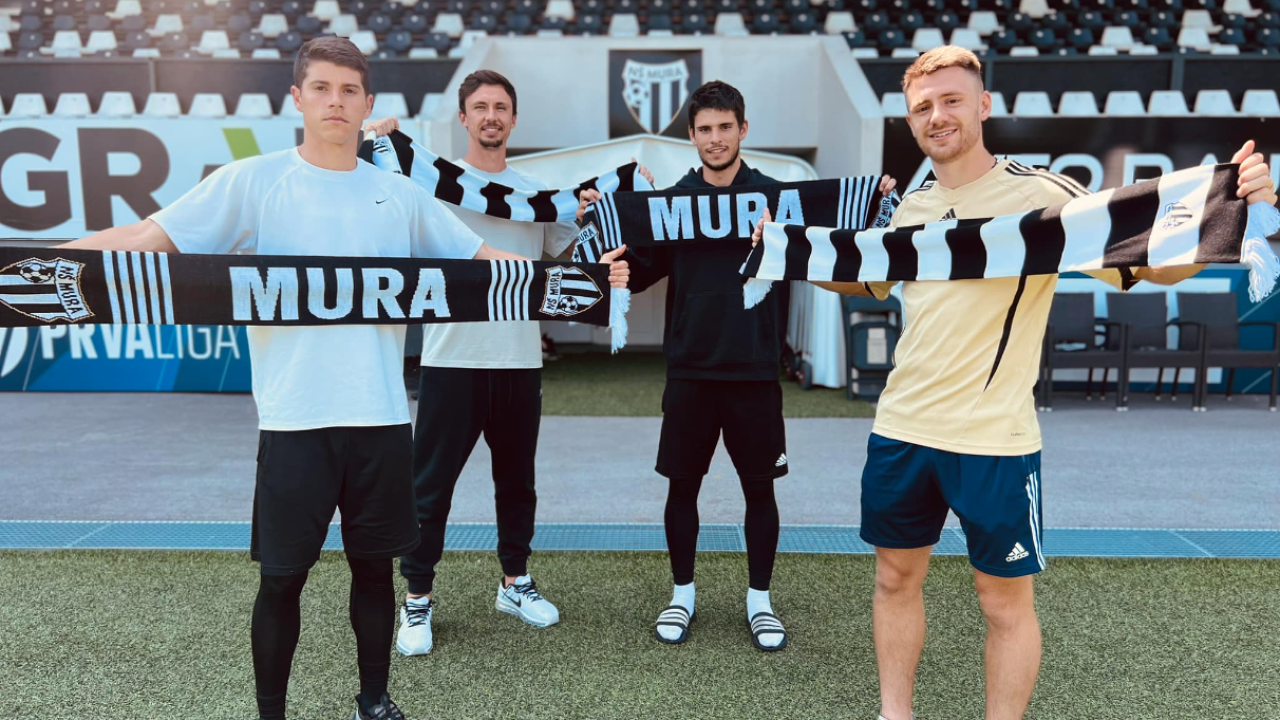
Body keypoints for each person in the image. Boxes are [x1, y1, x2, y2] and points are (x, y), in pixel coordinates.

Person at [61, 38, 629, 720]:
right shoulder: (252, 182)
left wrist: (594, 281)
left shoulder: (400, 194)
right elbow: (147, 241)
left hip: (380, 419)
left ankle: (374, 702)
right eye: (322, 88)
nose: (336, 101)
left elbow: (491, 264)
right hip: (294, 421)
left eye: (349, 90)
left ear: (367, 104)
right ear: (297, 98)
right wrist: (30, 260)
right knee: (281, 580)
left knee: (375, 574)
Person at [755, 45, 1276, 720]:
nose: (937, 116)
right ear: (910, 120)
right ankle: (894, 713)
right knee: (893, 579)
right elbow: (866, 278)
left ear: (983, 105)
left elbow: (1149, 263)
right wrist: (784, 250)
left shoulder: (1040, 194)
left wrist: (1236, 203)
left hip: (994, 440)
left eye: (950, 100)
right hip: (901, 430)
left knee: (1002, 602)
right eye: (922, 107)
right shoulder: (912, 206)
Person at [580, 80, 891, 651]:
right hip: (690, 369)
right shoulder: (672, 203)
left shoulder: (780, 202)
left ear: (743, 130)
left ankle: (759, 601)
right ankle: (682, 595)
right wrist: (608, 245)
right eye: (705, 129)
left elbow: (832, 250)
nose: (716, 138)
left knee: (760, 491)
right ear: (691, 135)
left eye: (725, 127)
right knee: (682, 489)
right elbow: (638, 271)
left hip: (754, 370)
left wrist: (872, 200)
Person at [362, 70, 651, 657]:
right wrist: (377, 145)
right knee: (429, 488)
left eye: (500, 107)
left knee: (517, 484)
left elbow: (567, 261)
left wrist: (601, 210)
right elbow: (375, 204)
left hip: (519, 362)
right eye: (480, 107)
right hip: (451, 360)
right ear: (463, 118)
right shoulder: (429, 182)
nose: (491, 116)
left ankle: (514, 582)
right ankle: (417, 596)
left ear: (513, 120)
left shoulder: (536, 195)